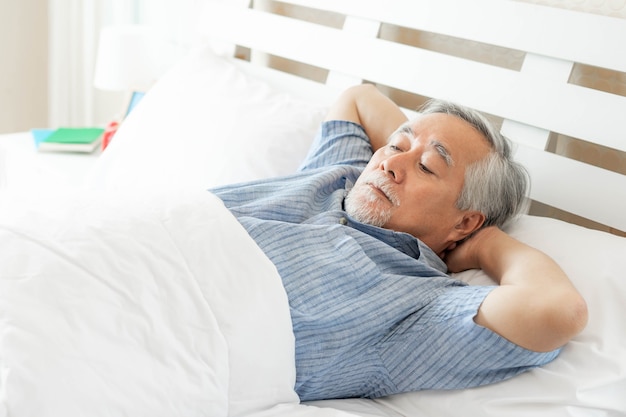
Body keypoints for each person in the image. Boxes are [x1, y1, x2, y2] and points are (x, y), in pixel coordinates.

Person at [211, 84, 588, 402]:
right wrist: (416, 146)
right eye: (393, 145)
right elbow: (360, 98)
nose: (390, 164)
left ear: (466, 220)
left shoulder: (417, 306)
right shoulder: (343, 175)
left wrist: (485, 243)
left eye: (427, 167)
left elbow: (557, 312)